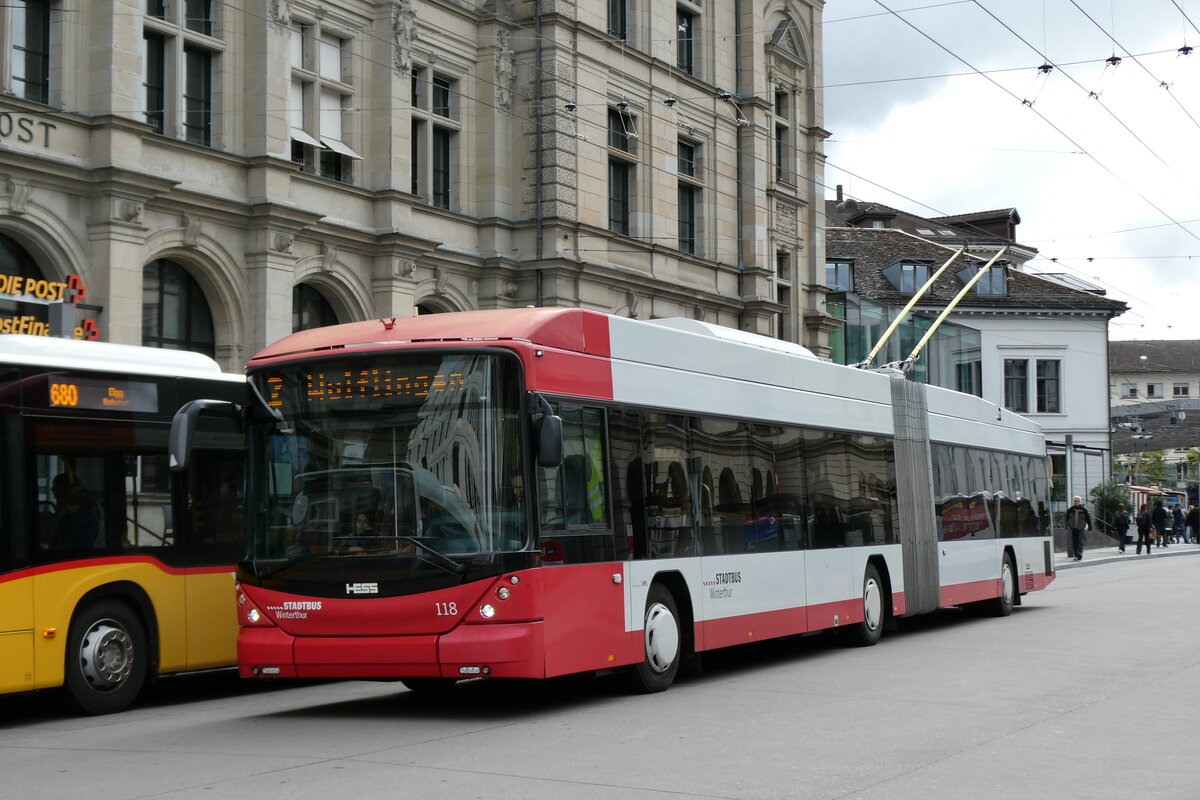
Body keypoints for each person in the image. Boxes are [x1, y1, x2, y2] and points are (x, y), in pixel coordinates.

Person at [1065, 496, 1091, 561]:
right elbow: (1067, 518)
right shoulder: (1071, 509)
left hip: (1081, 527)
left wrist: (1090, 528)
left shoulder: (1083, 509)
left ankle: (1079, 553)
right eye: (1075, 501)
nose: (1076, 502)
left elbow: (1088, 519)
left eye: (1077, 501)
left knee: (1080, 540)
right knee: (1074, 541)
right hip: (1073, 527)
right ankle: (1076, 555)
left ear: (1080, 502)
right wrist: (1066, 526)